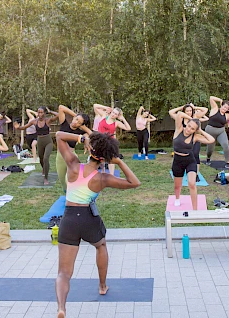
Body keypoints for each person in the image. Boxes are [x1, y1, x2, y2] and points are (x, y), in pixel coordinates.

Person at [54, 130, 140, 318]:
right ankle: (102, 286)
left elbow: (59, 135)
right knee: (101, 245)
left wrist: (82, 138)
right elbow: (135, 183)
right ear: (105, 159)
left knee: (63, 272)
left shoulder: (73, 165)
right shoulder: (103, 179)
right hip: (88, 218)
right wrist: (118, 161)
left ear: (89, 150)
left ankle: (62, 307)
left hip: (69, 218)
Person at [169, 108, 214, 207]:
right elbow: (180, 114)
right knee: (177, 186)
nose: (189, 129)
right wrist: (193, 119)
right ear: (187, 124)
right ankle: (177, 198)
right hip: (177, 161)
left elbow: (211, 140)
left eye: (192, 129)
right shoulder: (179, 129)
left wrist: (200, 130)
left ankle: (195, 209)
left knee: (192, 183)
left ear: (195, 130)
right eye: (189, 126)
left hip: (190, 161)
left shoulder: (195, 137)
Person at [13, 106, 58, 185]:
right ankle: (44, 169)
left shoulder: (48, 120)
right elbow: (24, 127)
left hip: (48, 141)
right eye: (38, 112)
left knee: (45, 158)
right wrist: (18, 127)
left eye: (41, 112)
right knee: (41, 159)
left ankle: (46, 178)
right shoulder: (34, 121)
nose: (40, 114)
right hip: (40, 141)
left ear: (44, 113)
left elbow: (58, 115)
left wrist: (50, 111)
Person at [56, 105, 91, 192]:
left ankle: (74, 197)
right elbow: (61, 107)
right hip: (60, 156)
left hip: (71, 156)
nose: (75, 122)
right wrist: (76, 116)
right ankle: (68, 195)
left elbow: (91, 134)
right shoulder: (64, 124)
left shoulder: (80, 132)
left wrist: (83, 127)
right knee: (63, 183)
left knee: (69, 180)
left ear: (81, 125)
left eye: (78, 122)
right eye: (76, 119)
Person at [93, 105, 131, 175]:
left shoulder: (116, 123)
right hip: (99, 140)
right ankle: (103, 172)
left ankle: (111, 175)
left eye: (115, 114)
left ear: (117, 116)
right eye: (113, 112)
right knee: (99, 158)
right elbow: (95, 106)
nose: (113, 114)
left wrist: (123, 119)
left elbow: (128, 128)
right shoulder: (104, 115)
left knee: (111, 159)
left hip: (109, 142)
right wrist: (106, 108)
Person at [204, 96, 229, 168]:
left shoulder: (227, 115)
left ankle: (227, 162)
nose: (224, 109)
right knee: (210, 148)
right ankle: (208, 158)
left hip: (220, 132)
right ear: (221, 105)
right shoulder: (215, 109)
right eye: (224, 106)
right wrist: (220, 100)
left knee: (225, 145)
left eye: (226, 108)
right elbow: (211, 98)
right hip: (210, 131)